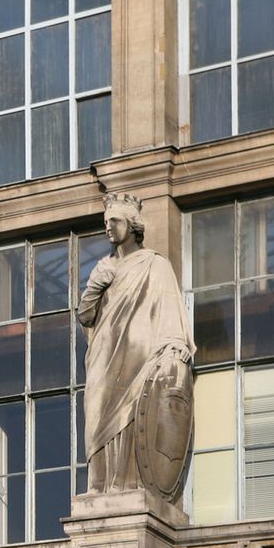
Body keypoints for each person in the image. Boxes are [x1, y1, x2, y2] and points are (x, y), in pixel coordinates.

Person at [78, 192, 195, 495]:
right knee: (96, 416)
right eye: (106, 222)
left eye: (114, 221)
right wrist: (94, 286)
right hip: (103, 356)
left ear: (132, 225)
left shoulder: (155, 265)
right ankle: (99, 483)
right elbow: (86, 316)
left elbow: (169, 308)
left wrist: (173, 347)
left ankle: (126, 484)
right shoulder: (103, 268)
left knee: (131, 415)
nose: (108, 228)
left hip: (138, 354)